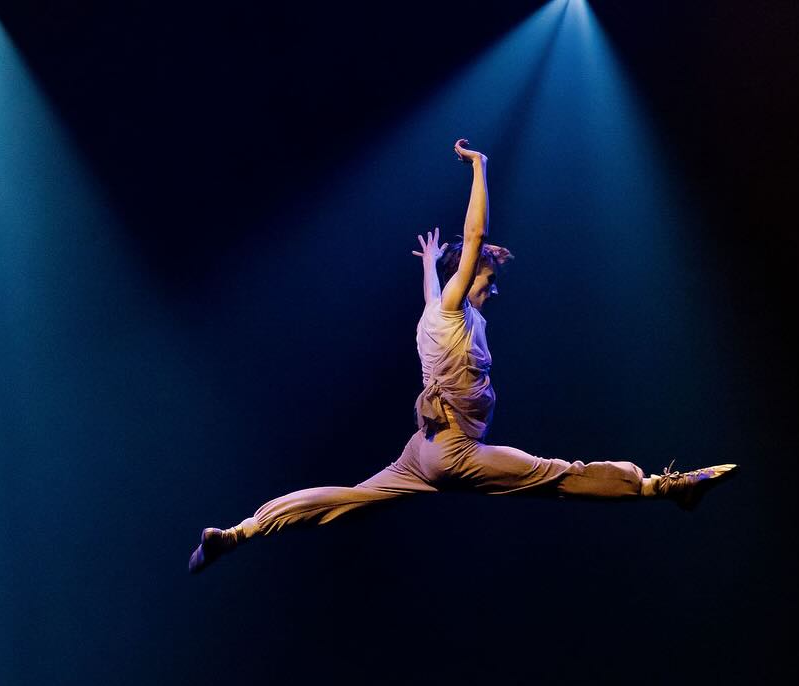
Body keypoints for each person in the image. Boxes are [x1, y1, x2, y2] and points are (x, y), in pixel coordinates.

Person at [188, 138, 737, 575]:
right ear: (465, 276)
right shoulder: (452, 309)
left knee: (351, 499)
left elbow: (437, 282)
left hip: (423, 450)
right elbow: (475, 235)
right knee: (555, 476)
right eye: (488, 279)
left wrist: (428, 261)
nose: (493, 288)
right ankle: (663, 487)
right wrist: (478, 167)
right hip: (452, 452)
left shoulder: (439, 309)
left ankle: (239, 533)